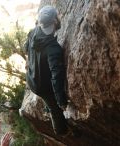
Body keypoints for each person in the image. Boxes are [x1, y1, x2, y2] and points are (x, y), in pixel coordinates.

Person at [24, 5, 69, 136]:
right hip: (42, 87)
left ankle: (47, 106)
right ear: (55, 21)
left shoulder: (33, 32)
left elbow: (26, 47)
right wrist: (61, 101)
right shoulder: (53, 49)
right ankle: (62, 133)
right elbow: (56, 76)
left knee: (48, 101)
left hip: (31, 79)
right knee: (55, 110)